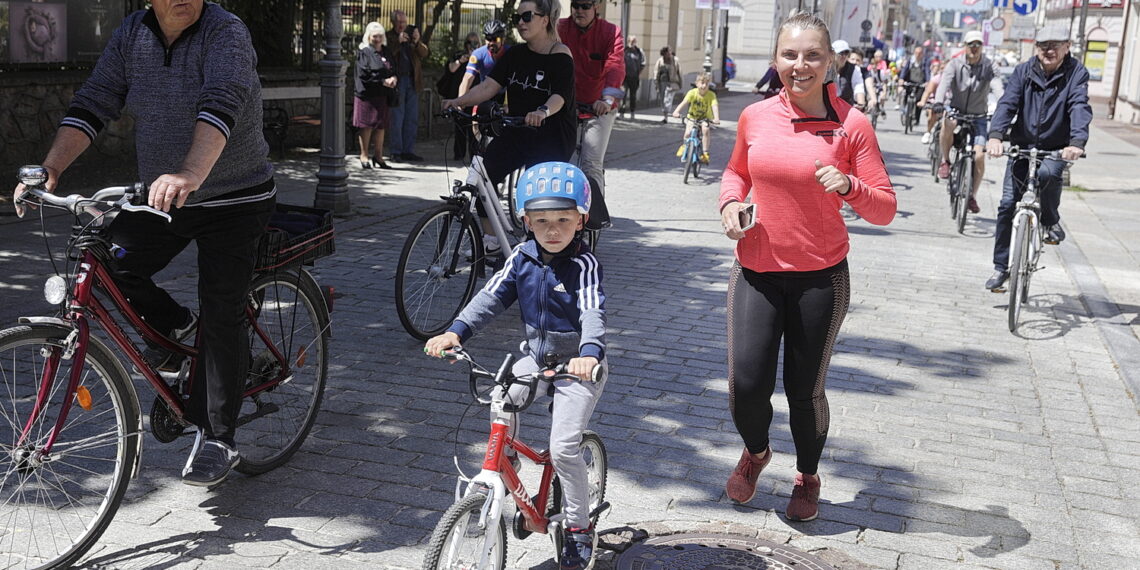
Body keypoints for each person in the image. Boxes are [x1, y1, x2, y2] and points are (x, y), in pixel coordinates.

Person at [13, 0, 277, 487]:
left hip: (233, 199)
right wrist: (51, 169)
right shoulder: (133, 33)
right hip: (162, 198)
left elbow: (221, 102)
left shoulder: (226, 33)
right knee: (108, 263)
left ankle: (219, 436)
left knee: (223, 308)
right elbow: (94, 102)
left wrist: (190, 173)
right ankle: (178, 333)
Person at [718, 11, 896, 522]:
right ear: (777, 60)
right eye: (790, 55)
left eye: (813, 55)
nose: (801, 65)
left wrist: (849, 186)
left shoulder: (851, 125)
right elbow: (735, 172)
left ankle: (808, 475)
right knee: (746, 387)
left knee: (803, 391)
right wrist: (730, 205)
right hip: (756, 270)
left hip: (820, 277)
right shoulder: (755, 116)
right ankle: (756, 453)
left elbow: (883, 207)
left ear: (831, 61)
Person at [424, 161, 606, 570]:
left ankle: (578, 528)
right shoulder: (522, 257)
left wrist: (590, 353)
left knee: (562, 448)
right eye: (541, 221)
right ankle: (510, 468)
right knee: (501, 397)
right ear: (525, 220)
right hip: (536, 359)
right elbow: (491, 297)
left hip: (578, 366)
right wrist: (457, 332)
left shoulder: (584, 265)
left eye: (563, 219)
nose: (553, 229)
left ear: (581, 220)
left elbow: (593, 311)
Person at [441, 0, 576, 256]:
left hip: (552, 135)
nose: (521, 23)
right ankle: (492, 241)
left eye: (527, 17)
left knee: (538, 192)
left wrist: (542, 111)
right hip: (518, 128)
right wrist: (457, 102)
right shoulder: (514, 55)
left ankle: (540, 248)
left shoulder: (560, 55)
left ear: (545, 19)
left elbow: (560, 96)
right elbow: (488, 87)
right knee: (485, 174)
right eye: (518, 18)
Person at [983, 25, 1091, 291]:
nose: (1049, 50)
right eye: (1044, 45)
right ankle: (1001, 268)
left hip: (1056, 147)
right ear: (1036, 48)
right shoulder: (1024, 71)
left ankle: (1050, 219)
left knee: (1048, 174)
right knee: (1008, 204)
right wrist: (996, 135)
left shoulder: (1076, 72)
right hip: (1022, 145)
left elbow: (1079, 105)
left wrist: (1077, 142)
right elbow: (1008, 102)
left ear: (1067, 46)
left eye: (1055, 45)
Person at [558, 0, 623, 224]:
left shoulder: (611, 31)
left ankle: (594, 221)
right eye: (575, 5)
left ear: (597, 7)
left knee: (591, 161)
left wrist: (607, 98)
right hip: (566, 105)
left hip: (599, 107)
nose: (579, 10)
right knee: (560, 158)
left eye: (585, 5)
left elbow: (615, 64)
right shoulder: (561, 28)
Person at [934, 30, 1001, 214]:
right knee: (948, 123)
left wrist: (1003, 103)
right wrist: (939, 102)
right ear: (965, 46)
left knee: (979, 156)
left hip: (978, 115)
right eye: (971, 44)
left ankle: (972, 195)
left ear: (982, 47)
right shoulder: (955, 64)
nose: (974, 48)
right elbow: (944, 84)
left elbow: (997, 85)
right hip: (956, 110)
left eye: (978, 44)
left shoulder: (989, 65)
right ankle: (945, 161)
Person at [385, 9, 429, 162]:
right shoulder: (389, 36)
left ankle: (408, 150)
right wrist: (398, 42)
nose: (402, 25)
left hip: (412, 81)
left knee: (411, 118)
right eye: (399, 22)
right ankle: (396, 151)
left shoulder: (411, 36)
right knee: (397, 117)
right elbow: (387, 54)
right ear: (393, 22)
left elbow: (424, 53)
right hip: (398, 81)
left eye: (404, 22)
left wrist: (416, 42)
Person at [353, 22, 397, 170]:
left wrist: (393, 78)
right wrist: (383, 81)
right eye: (374, 36)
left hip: (382, 95)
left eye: (380, 36)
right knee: (366, 126)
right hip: (367, 94)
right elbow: (363, 74)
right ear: (369, 37)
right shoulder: (364, 52)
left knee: (381, 126)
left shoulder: (386, 51)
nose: (377, 39)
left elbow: (393, 68)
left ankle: (378, 156)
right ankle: (364, 155)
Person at [439, 31, 481, 162]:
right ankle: (459, 154)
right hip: (460, 96)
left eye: (475, 43)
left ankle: (475, 155)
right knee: (460, 127)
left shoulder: (482, 56)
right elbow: (451, 69)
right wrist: (461, 60)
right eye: (469, 42)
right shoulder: (459, 55)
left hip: (476, 96)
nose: (472, 45)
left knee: (474, 128)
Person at [671, 72, 720, 164]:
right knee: (688, 133)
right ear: (697, 83)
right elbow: (684, 102)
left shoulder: (711, 95)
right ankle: (685, 146)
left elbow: (715, 106)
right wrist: (676, 112)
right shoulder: (692, 93)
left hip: (705, 118)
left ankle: (705, 153)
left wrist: (716, 118)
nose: (704, 85)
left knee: (705, 130)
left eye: (706, 83)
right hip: (692, 117)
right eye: (702, 82)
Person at [459, 19, 509, 100]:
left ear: (503, 40)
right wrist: (459, 101)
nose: (492, 42)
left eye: (496, 39)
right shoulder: (478, 54)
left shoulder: (510, 53)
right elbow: (467, 79)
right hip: (485, 94)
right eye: (488, 38)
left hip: (506, 95)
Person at [830, 40, 866, 108]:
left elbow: (858, 87)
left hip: (845, 108)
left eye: (846, 53)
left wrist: (861, 104)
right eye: (841, 53)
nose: (844, 56)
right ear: (833, 54)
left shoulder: (854, 69)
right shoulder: (825, 67)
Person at [899, 45, 928, 125]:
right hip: (910, 82)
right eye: (916, 53)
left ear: (922, 54)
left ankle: (916, 118)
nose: (918, 55)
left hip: (920, 84)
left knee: (918, 100)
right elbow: (905, 70)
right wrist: (901, 79)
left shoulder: (924, 62)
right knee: (906, 96)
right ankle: (905, 113)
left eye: (920, 53)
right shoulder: (910, 61)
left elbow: (927, 72)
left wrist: (927, 81)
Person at [917, 59, 944, 143]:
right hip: (934, 101)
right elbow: (928, 92)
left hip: (948, 104)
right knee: (931, 115)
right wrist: (922, 101)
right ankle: (928, 132)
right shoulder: (936, 78)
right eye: (942, 68)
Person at [654, 46, 682, 123]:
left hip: (672, 83)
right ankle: (665, 115)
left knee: (668, 99)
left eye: (670, 52)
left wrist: (680, 83)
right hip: (662, 82)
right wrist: (656, 83)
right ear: (664, 54)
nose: (669, 54)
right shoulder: (660, 61)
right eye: (667, 53)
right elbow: (656, 72)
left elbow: (680, 72)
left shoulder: (675, 60)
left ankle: (666, 114)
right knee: (663, 99)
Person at [622, 35, 646, 118]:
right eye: (631, 41)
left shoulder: (639, 52)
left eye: (634, 41)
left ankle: (632, 112)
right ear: (628, 41)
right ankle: (622, 112)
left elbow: (643, 64)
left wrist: (638, 73)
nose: (632, 43)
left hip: (634, 78)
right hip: (624, 78)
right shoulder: (624, 51)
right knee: (623, 95)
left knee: (633, 95)